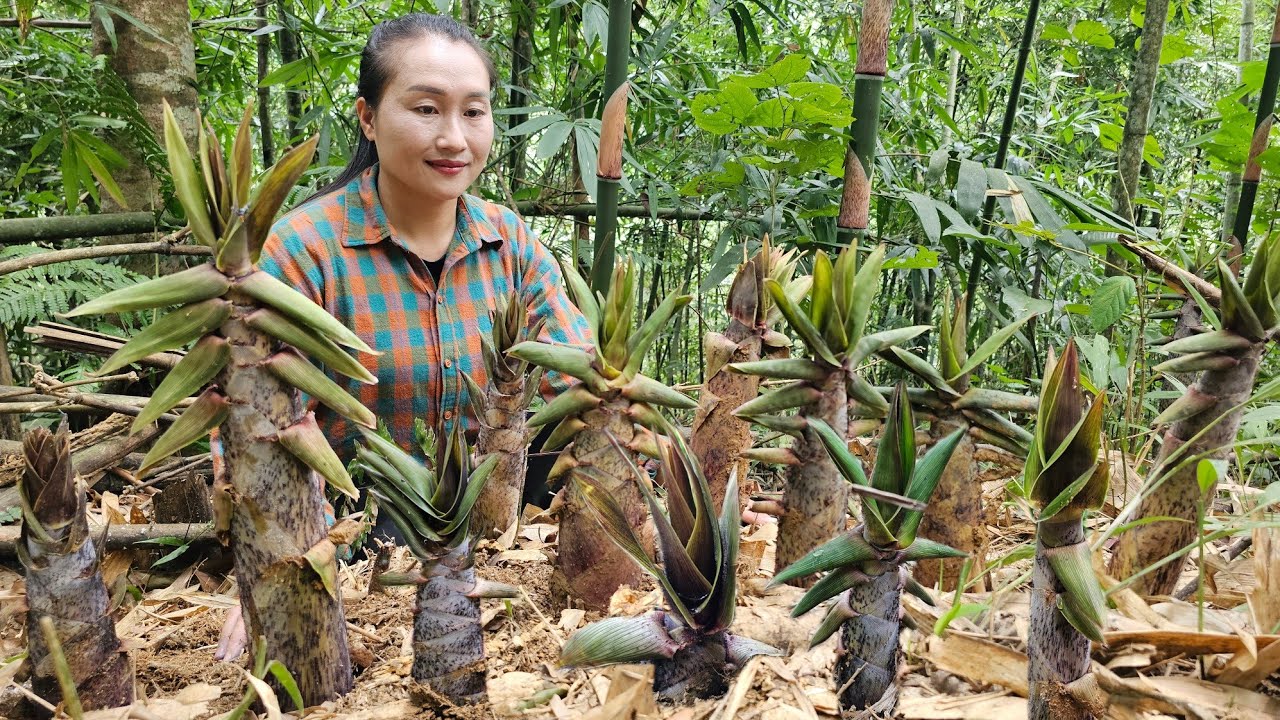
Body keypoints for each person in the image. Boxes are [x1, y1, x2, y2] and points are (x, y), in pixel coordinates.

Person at [214, 12, 593, 659]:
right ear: (367, 117)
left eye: (474, 112)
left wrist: (664, 489)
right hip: (354, 555)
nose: (453, 137)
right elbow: (253, 436)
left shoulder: (510, 244)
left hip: (496, 560)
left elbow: (583, 388)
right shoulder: (304, 252)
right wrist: (281, 578)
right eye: (425, 108)